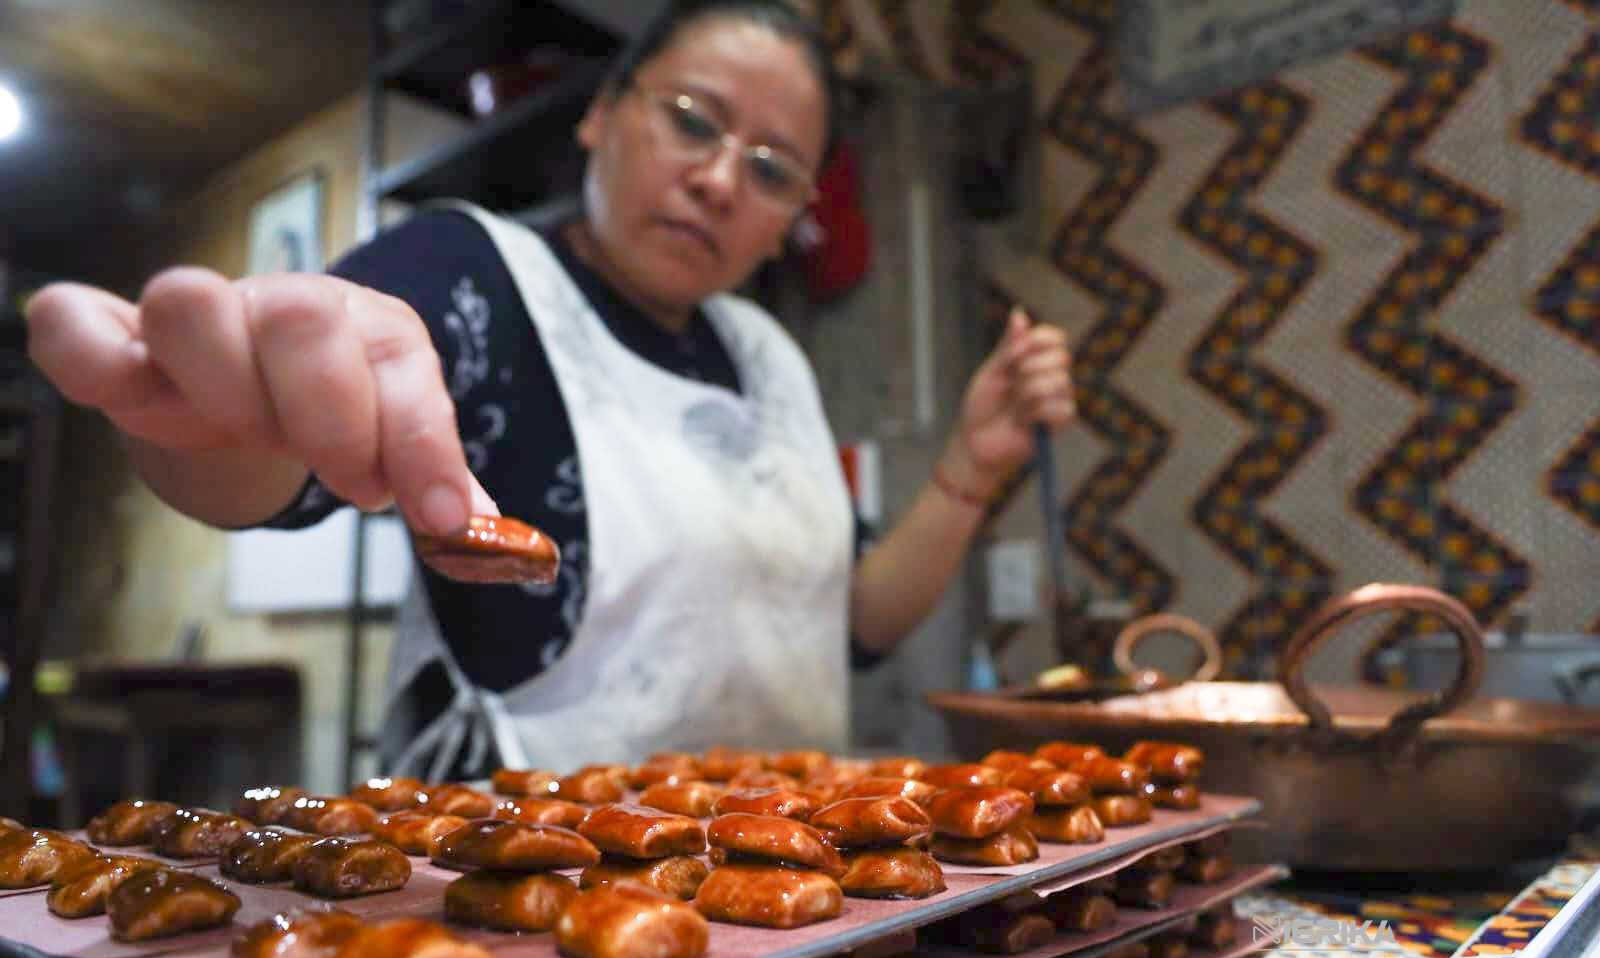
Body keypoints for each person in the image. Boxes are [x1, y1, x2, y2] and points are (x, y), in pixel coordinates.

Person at [24, 0, 1074, 777]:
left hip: (782, 890)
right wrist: (213, 425)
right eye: (694, 121)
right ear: (600, 117)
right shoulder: (469, 275)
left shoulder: (768, 355)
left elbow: (848, 621)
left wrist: (969, 473)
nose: (718, 178)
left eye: (771, 168)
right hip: (529, 901)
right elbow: (295, 438)